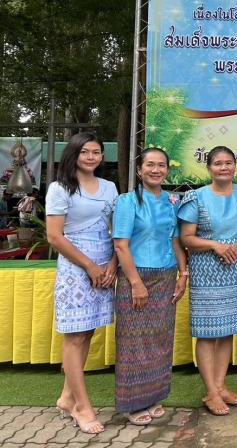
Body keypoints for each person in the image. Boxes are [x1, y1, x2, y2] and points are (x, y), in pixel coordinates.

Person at [45, 132, 118, 434]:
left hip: (105, 265)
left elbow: (116, 230)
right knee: (75, 335)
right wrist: (89, 266)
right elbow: (54, 236)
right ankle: (81, 407)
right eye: (85, 152)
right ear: (73, 154)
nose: (91, 157)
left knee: (87, 332)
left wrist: (112, 263)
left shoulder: (110, 187)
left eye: (96, 152)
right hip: (76, 267)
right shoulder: (60, 188)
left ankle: (66, 397)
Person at [112, 147, 188, 425]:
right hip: (136, 276)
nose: (156, 170)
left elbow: (175, 240)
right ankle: (132, 404)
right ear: (139, 170)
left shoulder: (173, 201)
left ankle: (153, 397)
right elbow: (120, 245)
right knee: (133, 342)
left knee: (159, 341)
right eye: (150, 165)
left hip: (166, 276)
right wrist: (136, 283)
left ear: (167, 170)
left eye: (161, 165)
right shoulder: (127, 201)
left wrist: (183, 273)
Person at [178, 146, 237, 416]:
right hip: (206, 270)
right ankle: (210, 391)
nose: (224, 167)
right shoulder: (195, 197)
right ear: (209, 168)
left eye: (228, 162)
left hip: (235, 268)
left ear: (235, 166)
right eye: (218, 163)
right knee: (207, 332)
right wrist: (214, 245)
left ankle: (220, 385)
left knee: (227, 329)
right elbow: (186, 238)